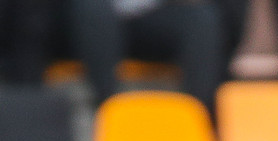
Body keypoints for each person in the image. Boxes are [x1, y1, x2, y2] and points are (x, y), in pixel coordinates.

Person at [69, 0, 227, 114]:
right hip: (81, 20)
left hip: (148, 17)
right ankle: (108, 111)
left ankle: (201, 116)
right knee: (95, 8)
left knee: (201, 17)